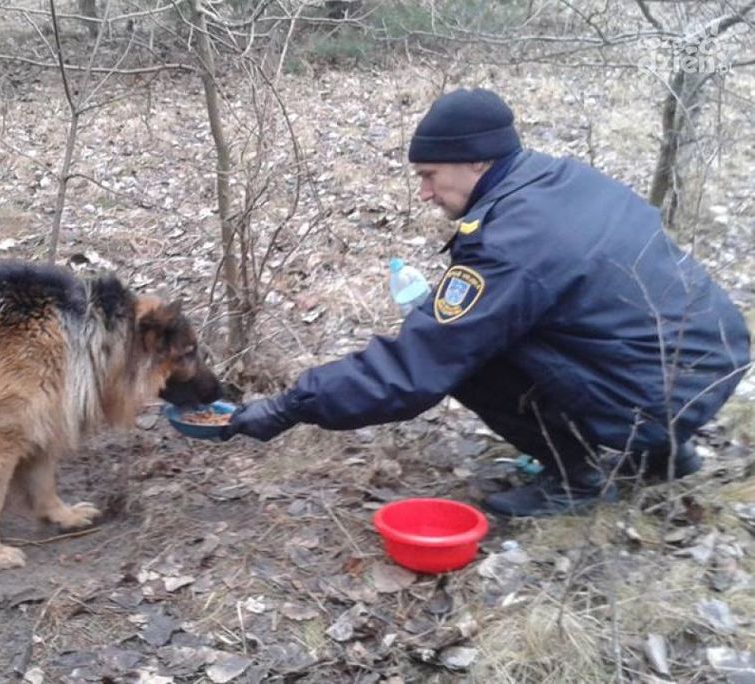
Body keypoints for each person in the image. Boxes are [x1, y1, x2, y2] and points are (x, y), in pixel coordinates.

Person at [220, 88, 751, 517]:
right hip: (708, 360)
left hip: (655, 394)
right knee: (524, 329)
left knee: (468, 361)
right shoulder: (560, 180)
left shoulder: (511, 244)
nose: (424, 193)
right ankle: (664, 450)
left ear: (476, 161)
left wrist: (291, 406)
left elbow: (418, 366)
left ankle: (581, 479)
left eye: (430, 175)